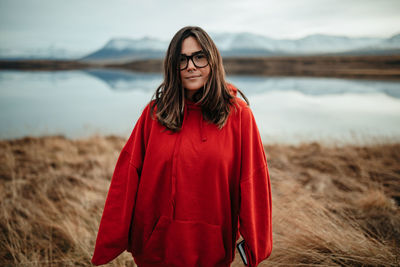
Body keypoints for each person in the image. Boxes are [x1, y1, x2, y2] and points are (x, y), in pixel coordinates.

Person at [91, 26, 272, 267]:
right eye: (182, 59)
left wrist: (255, 246)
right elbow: (127, 176)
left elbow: (253, 181)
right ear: (172, 66)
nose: (190, 66)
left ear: (213, 61)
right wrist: (110, 241)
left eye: (199, 57)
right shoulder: (155, 114)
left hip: (211, 252)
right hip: (155, 251)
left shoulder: (238, 116)